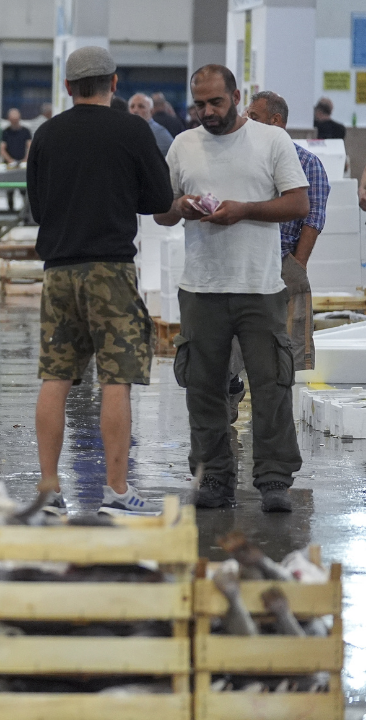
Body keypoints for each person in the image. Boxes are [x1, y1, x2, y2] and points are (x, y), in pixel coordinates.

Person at [153, 64, 310, 513]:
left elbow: (297, 202)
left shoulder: (270, 140)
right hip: (201, 287)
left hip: (259, 286)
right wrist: (180, 205)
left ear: (236, 96)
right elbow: (162, 212)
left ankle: (275, 479)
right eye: (199, 104)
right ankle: (214, 477)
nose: (207, 112)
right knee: (204, 386)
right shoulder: (183, 145)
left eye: (215, 103)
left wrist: (243, 211)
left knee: (271, 383)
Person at [28, 46, 174, 516]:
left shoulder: (46, 135)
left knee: (56, 376)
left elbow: (37, 206)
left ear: (68, 88)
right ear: (113, 85)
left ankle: (49, 491)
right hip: (110, 268)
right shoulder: (131, 129)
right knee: (117, 378)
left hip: (58, 271)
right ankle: (115, 489)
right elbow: (158, 198)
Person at [241, 90, 327, 377]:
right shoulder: (242, 159)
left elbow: (312, 219)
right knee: (234, 346)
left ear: (276, 121)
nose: (246, 122)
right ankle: (232, 391)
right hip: (244, 263)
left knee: (285, 349)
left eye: (254, 117)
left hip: (282, 261)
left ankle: (279, 409)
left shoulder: (307, 163)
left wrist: (296, 266)